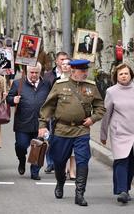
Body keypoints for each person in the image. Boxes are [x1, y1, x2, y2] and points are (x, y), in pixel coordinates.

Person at [38, 59, 105, 206]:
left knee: (82, 160)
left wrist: (93, 119)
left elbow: (100, 107)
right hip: (62, 130)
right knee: (59, 161)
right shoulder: (60, 85)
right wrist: (43, 124)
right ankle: (60, 183)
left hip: (81, 130)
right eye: (82, 71)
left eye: (86, 70)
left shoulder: (91, 87)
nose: (85, 73)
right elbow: (48, 107)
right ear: (73, 71)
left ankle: (79, 194)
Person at [7, 62, 51, 180]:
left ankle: (35, 171)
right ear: (27, 72)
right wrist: (13, 99)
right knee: (21, 146)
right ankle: (21, 160)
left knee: (39, 147)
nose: (34, 75)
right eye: (32, 72)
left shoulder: (46, 84)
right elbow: (9, 98)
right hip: (23, 122)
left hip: (40, 123)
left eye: (36, 72)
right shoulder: (18, 84)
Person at [100, 63, 134, 204]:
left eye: (126, 73)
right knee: (121, 160)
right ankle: (122, 191)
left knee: (131, 162)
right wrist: (103, 134)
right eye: (121, 74)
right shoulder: (111, 92)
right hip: (120, 132)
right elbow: (106, 114)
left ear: (131, 74)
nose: (124, 76)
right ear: (116, 76)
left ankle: (125, 188)